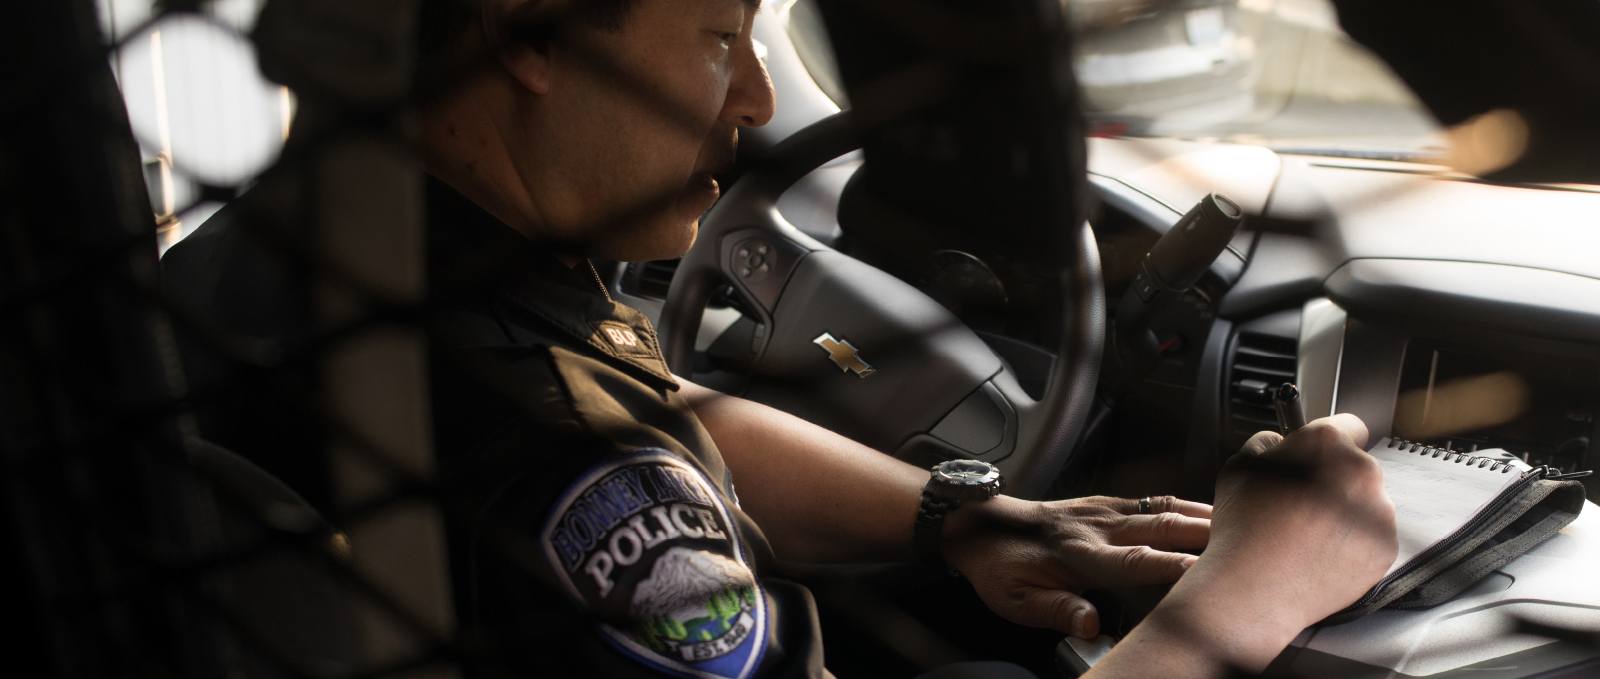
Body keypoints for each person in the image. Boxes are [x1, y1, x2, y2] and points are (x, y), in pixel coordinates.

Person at [162, 0, 1398, 677]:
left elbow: (667, 413)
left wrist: (959, 513)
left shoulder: (299, 253)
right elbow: (602, 460)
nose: (756, 97)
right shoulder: (543, 450)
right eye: (718, 36)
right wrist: (1246, 595)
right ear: (521, 38)